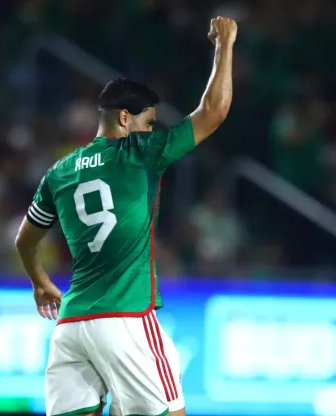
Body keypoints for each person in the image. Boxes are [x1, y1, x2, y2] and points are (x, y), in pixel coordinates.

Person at [14, 17, 237, 416]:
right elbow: (214, 111)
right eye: (148, 122)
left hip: (71, 326)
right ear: (123, 119)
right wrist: (225, 45)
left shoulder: (59, 171)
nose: (151, 130)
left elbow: (24, 240)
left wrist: (40, 282)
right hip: (126, 317)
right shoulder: (140, 154)